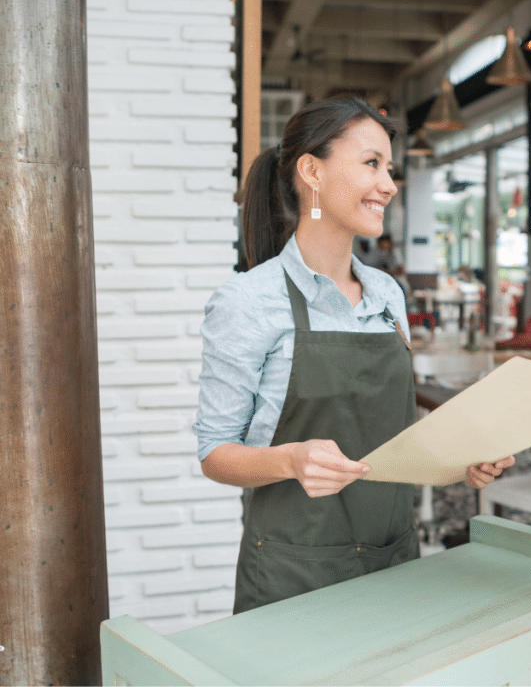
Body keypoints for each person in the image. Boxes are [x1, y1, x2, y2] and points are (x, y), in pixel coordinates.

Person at [193, 97, 513, 614]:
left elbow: (389, 446)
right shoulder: (248, 301)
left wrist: (463, 462)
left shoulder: (388, 293)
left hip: (394, 565)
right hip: (293, 577)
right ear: (312, 171)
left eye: (390, 168)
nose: (388, 184)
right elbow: (214, 453)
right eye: (371, 164)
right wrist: (290, 459)